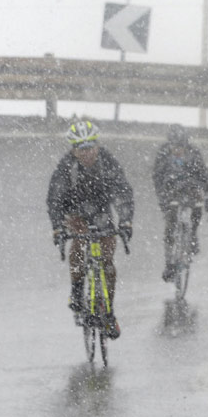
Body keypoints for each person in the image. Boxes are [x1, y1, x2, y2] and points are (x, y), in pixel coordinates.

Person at [47, 120, 134, 339]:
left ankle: (109, 313)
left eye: (90, 147)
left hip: (101, 211)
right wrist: (58, 227)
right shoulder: (66, 166)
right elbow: (56, 198)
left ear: (97, 146)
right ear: (73, 150)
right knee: (80, 241)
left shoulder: (108, 162)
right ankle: (77, 290)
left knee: (106, 261)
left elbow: (123, 192)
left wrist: (125, 221)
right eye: (80, 148)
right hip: (75, 210)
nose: (86, 153)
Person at [153, 124, 208, 282]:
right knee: (171, 220)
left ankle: (193, 235)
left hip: (190, 187)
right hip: (170, 189)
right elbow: (157, 178)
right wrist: (162, 199)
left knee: (197, 205)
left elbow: (204, 177)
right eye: (174, 146)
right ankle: (169, 263)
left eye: (181, 146)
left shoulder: (194, 154)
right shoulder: (163, 154)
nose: (177, 150)